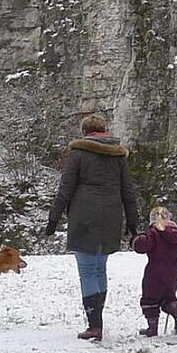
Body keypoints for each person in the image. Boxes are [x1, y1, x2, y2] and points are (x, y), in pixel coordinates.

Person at [46, 114, 138, 341]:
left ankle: (94, 325)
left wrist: (53, 219)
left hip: (84, 215)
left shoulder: (78, 153)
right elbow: (128, 191)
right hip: (111, 217)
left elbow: (66, 189)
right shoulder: (118, 156)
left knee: (87, 270)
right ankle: (97, 321)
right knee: (100, 269)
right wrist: (132, 222)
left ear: (85, 132)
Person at [132, 206, 177, 337]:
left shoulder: (153, 233)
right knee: (168, 297)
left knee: (150, 299)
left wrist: (135, 240)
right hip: (173, 273)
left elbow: (142, 246)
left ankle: (152, 328)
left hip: (155, 272)